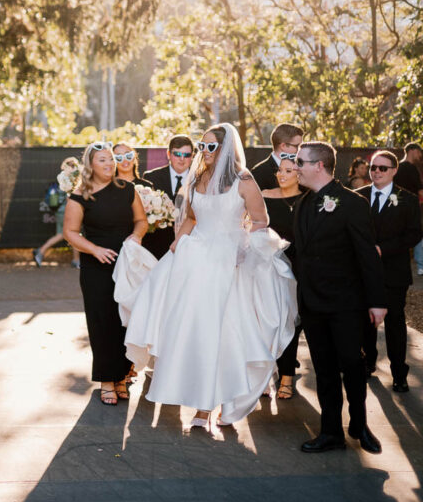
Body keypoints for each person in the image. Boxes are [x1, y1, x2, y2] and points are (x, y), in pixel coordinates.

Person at [115, 123, 297, 428]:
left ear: (226, 148)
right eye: (203, 146)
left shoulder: (244, 178)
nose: (205, 151)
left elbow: (261, 219)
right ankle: (196, 400)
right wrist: (177, 243)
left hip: (227, 260)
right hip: (194, 256)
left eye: (211, 146)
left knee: (223, 334)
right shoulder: (198, 177)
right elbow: (191, 216)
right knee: (189, 330)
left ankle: (216, 404)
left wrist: (243, 242)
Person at [293, 141, 386, 454]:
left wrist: (377, 301)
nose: (296, 167)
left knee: (352, 364)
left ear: (319, 165)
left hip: (345, 302)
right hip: (312, 303)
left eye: (300, 162)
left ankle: (359, 424)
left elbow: (367, 256)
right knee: (324, 370)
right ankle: (330, 431)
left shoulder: (352, 203)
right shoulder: (303, 203)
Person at [62, 142, 148, 406]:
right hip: (96, 269)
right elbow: (70, 233)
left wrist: (135, 238)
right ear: (91, 165)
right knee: (102, 323)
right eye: (102, 160)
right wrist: (95, 250)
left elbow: (141, 221)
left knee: (125, 319)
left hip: (127, 265)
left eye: (110, 159)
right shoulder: (79, 196)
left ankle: (122, 376)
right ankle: (106, 381)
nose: (110, 164)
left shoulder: (128, 190)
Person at [356, 150, 422, 392]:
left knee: (395, 322)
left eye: (383, 168)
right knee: (365, 321)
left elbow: (414, 233)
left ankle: (398, 373)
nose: (376, 172)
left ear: (394, 170)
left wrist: (383, 249)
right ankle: (367, 363)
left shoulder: (408, 200)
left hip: (394, 271)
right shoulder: (357, 197)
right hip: (362, 271)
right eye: (374, 167)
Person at [262, 158, 307, 399]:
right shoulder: (264, 196)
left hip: (297, 268)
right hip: (266, 266)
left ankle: (287, 375)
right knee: (265, 322)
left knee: (289, 321)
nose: (282, 174)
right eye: (280, 170)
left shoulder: (307, 199)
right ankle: (264, 376)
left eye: (288, 171)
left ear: (299, 173)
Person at [142, 134, 194, 259]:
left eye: (186, 155)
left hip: (190, 244)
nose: (182, 159)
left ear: (192, 156)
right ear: (168, 154)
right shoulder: (151, 177)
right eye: (177, 154)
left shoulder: (199, 179)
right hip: (157, 246)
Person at [33, 178, 80, 268]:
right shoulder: (70, 182)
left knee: (60, 235)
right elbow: (69, 199)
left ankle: (41, 251)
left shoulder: (63, 180)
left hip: (60, 212)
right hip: (66, 213)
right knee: (74, 234)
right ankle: (76, 260)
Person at [393, 142, 423, 276]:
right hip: (412, 208)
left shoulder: (396, 167)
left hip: (396, 206)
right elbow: (420, 191)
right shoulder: (411, 168)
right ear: (411, 150)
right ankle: (421, 265)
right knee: (418, 233)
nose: (420, 155)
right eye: (419, 151)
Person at [251, 123, 304, 191]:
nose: (300, 150)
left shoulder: (301, 169)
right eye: (297, 146)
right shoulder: (258, 173)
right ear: (283, 146)